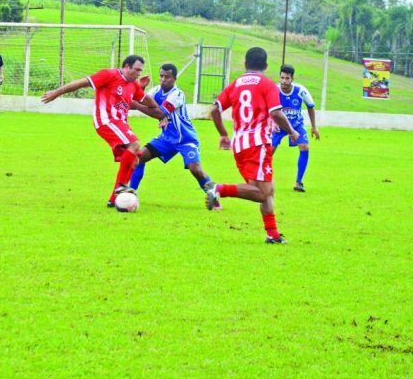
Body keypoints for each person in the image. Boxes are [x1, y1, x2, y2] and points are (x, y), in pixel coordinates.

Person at [41, 55, 165, 206]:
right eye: (136, 70)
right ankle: (121, 187)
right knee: (135, 144)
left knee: (135, 159)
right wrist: (56, 93)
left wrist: (159, 113)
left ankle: (115, 200)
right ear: (126, 66)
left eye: (140, 71)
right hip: (106, 120)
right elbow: (82, 83)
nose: (139, 73)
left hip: (121, 123)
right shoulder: (109, 75)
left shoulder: (133, 86)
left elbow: (146, 101)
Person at [208, 47, 299, 244]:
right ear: (266, 66)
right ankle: (219, 189)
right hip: (258, 144)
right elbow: (275, 113)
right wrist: (292, 131)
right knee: (261, 192)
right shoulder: (267, 84)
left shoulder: (236, 84)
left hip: (240, 144)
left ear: (245, 64)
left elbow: (214, 110)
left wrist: (224, 134)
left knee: (269, 189)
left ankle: (272, 234)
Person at [128, 63, 221, 208]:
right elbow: (137, 100)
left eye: (167, 77)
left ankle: (214, 200)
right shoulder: (156, 90)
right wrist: (141, 88)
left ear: (175, 78)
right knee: (138, 158)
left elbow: (159, 113)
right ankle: (131, 193)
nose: (163, 79)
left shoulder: (177, 94)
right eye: (161, 76)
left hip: (185, 139)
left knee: (195, 169)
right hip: (166, 139)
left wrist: (138, 106)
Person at [271, 64, 320, 192]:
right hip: (280, 125)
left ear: (292, 78)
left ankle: (298, 182)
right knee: (268, 151)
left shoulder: (301, 91)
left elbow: (310, 106)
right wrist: (273, 122)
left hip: (296, 124)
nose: (284, 81)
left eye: (287, 78)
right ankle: (263, 180)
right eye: (282, 78)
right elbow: (268, 108)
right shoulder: (274, 90)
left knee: (305, 147)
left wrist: (314, 127)